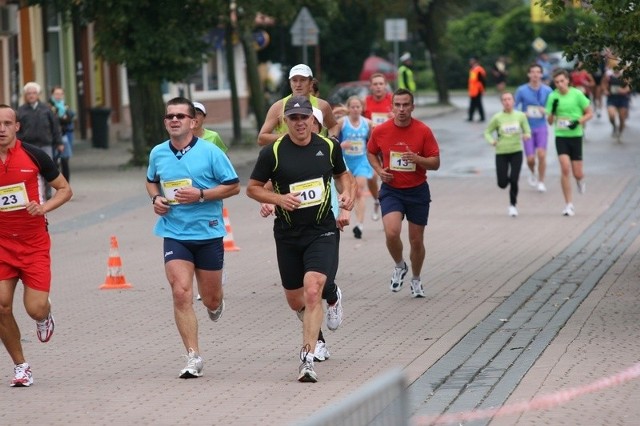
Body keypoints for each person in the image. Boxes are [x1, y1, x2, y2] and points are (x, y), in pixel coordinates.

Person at [247, 96, 355, 383]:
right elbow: (253, 188)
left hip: (321, 229)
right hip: (287, 234)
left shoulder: (328, 146)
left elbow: (344, 175)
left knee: (312, 289)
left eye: (304, 117)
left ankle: (307, 356)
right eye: (293, 118)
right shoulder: (273, 152)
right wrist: (278, 198)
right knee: (296, 300)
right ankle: (328, 301)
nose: (299, 123)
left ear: (312, 120)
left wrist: (347, 196)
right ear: (285, 122)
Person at [145, 97, 240, 378]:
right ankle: (193, 356)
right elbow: (151, 179)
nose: (174, 120)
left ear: (193, 122)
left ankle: (217, 301)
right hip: (175, 233)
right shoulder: (158, 153)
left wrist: (201, 194)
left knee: (210, 300)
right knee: (181, 292)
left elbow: (234, 186)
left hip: (209, 232)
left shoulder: (211, 152)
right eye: (169, 116)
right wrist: (156, 198)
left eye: (180, 116)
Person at [0, 104, 73, 387]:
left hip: (33, 244)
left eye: (7, 123)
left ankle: (45, 314)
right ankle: (21, 367)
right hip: (2, 244)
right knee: (2, 306)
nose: (1, 129)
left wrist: (44, 207)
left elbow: (65, 190)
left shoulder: (35, 155)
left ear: (17, 127)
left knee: (34, 308)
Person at [366, 88, 440, 298]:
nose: (401, 109)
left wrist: (418, 160)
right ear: (392, 107)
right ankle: (400, 265)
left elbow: (435, 163)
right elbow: (371, 152)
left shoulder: (423, 131)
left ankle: (416, 279)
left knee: (416, 241)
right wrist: (380, 170)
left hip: (417, 191)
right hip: (392, 190)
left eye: (405, 105)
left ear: (412, 107)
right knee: (391, 232)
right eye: (397, 105)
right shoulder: (381, 131)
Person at [546, 69, 593, 217]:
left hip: (576, 136)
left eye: (562, 81)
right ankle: (569, 205)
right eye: (556, 82)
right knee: (565, 169)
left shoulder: (577, 94)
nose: (559, 85)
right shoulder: (552, 96)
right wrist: (553, 111)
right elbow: (549, 122)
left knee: (577, 173)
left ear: (567, 80)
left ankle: (580, 181)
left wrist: (578, 122)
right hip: (561, 136)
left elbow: (589, 113)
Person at [258, 64, 339, 146]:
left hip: (317, 155)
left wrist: (332, 139)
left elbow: (333, 126)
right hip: (289, 156)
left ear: (311, 83)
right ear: (290, 83)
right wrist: (290, 136)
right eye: (294, 80)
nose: (298, 85)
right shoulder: (278, 106)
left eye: (303, 80)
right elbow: (262, 139)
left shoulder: (323, 105)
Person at [484, 92, 532, 217]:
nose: (507, 102)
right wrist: (492, 141)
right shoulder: (497, 117)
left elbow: (527, 130)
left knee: (514, 179)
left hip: (516, 151)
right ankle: (508, 181)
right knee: (502, 183)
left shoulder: (520, 116)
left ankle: (513, 205)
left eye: (509, 99)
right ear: (502, 102)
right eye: (504, 99)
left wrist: (527, 135)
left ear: (514, 101)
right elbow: (487, 132)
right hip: (501, 152)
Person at [17, 82, 64, 199]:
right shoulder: (21, 110)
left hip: (45, 144)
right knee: (30, 170)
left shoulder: (46, 109)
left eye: (34, 93)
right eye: (29, 93)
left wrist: (59, 142)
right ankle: (34, 192)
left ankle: (47, 192)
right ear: (25, 95)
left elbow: (55, 126)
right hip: (28, 145)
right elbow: (17, 129)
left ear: (38, 95)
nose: (31, 95)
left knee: (47, 168)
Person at [338, 96, 374, 238]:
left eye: (358, 106)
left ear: (362, 108)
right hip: (345, 162)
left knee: (359, 192)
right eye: (352, 107)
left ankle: (359, 224)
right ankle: (345, 216)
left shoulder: (368, 123)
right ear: (348, 108)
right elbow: (330, 141)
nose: (355, 109)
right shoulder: (342, 122)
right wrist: (341, 145)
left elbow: (374, 141)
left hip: (361, 161)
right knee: (346, 193)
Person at [514, 63, 553, 192]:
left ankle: (541, 181)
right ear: (529, 74)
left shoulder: (547, 90)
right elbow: (514, 107)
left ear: (541, 74)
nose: (535, 75)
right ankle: (532, 172)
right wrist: (521, 114)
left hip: (541, 126)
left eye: (538, 72)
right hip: (527, 128)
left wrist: (545, 110)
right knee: (530, 159)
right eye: (533, 72)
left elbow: (553, 107)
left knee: (541, 155)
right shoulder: (522, 90)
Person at [363, 73, 394, 221]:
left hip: (389, 146)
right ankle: (377, 199)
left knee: (390, 177)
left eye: (381, 84)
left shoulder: (392, 100)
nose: (378, 87)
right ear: (371, 86)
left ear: (385, 85)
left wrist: (393, 117)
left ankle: (390, 208)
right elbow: (357, 120)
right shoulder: (366, 102)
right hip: (372, 146)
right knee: (371, 177)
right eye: (375, 84)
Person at [48, 86, 75, 183]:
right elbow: (54, 120)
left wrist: (63, 117)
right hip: (52, 137)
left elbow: (68, 119)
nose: (58, 96)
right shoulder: (49, 106)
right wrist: (62, 118)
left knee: (65, 160)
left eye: (60, 94)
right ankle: (55, 185)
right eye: (56, 94)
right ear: (52, 95)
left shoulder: (65, 106)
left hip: (64, 135)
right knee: (54, 162)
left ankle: (66, 185)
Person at [601, 60, 632, 142]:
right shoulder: (608, 75)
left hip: (622, 99)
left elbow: (629, 86)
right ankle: (614, 126)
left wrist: (624, 90)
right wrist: (605, 91)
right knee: (611, 115)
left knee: (622, 118)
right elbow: (603, 85)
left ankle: (620, 133)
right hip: (612, 98)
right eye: (614, 65)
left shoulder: (625, 75)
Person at [467, 57, 486, 122]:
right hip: (473, 90)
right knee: (472, 104)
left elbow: (482, 81)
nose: (470, 63)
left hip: (478, 90)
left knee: (478, 104)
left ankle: (482, 117)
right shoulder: (472, 70)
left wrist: (483, 90)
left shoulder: (479, 70)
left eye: (471, 62)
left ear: (475, 62)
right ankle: (470, 117)